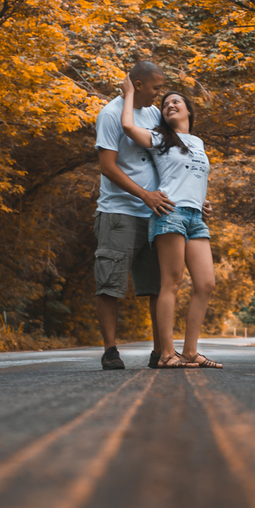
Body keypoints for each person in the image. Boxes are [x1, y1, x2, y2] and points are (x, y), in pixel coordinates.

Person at [119, 75, 223, 368]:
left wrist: (202, 199)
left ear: (189, 110)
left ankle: (190, 352)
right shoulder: (160, 138)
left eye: (176, 101)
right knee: (172, 283)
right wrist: (129, 92)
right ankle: (166, 353)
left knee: (205, 283)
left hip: (195, 216)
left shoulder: (198, 142)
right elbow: (128, 127)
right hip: (170, 214)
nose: (170, 105)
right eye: (165, 104)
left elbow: (192, 176)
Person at [94, 61, 174, 370]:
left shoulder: (154, 115)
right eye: (156, 87)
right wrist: (144, 194)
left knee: (158, 285)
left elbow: (168, 159)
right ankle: (110, 350)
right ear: (138, 85)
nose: (159, 93)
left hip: (156, 214)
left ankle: (160, 351)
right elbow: (107, 167)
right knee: (110, 283)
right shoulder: (111, 114)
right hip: (119, 212)